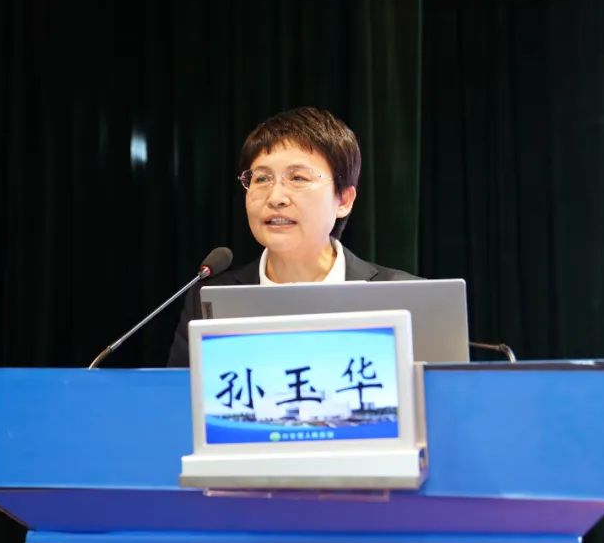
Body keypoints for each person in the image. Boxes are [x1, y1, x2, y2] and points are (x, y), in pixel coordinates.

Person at [167, 106, 418, 367]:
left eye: (298, 178)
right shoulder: (210, 299)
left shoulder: (405, 297)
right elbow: (178, 392)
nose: (276, 197)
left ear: (344, 200)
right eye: (261, 179)